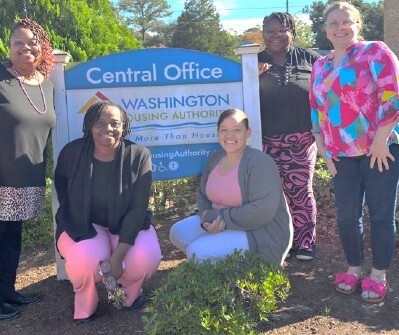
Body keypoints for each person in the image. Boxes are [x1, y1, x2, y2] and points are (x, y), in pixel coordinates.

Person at [309, 1, 399, 303]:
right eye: (333, 23)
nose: (339, 27)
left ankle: (378, 275)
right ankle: (354, 268)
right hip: (341, 155)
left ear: (357, 24)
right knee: (347, 217)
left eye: (345, 21)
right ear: (325, 29)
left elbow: (392, 97)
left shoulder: (375, 52)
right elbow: (316, 108)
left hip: (380, 151)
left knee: (381, 215)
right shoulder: (320, 66)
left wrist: (380, 139)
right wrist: (322, 146)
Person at [54, 100, 162, 322]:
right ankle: (86, 304)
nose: (108, 129)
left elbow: (137, 209)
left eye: (115, 123)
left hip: (126, 223)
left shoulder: (139, 155)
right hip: (83, 224)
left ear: (124, 126)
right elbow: (62, 187)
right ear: (89, 125)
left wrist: (117, 257)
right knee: (85, 259)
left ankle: (129, 295)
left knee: (144, 257)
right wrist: (78, 216)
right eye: (100, 123)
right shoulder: (71, 153)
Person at [169, 109, 293, 266]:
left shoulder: (261, 163)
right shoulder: (215, 159)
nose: (230, 135)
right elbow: (203, 195)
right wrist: (206, 218)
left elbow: (261, 212)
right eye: (224, 130)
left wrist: (218, 219)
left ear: (247, 133)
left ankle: (238, 276)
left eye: (236, 130)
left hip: (257, 231)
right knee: (178, 232)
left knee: (196, 251)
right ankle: (224, 264)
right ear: (218, 133)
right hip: (221, 221)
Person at [0, 18, 56, 321]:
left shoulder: (46, 83)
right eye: (17, 42)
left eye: (31, 42)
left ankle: (7, 291)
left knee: (12, 236)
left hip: (27, 177)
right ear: (9, 47)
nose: (25, 47)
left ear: (41, 46)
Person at [258, 12, 320, 261]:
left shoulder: (311, 59)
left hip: (302, 140)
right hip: (264, 140)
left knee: (300, 190)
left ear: (292, 32)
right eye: (269, 30)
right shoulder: (253, 61)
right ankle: (279, 240)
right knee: (269, 193)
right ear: (263, 33)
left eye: (281, 29)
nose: (275, 35)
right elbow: (238, 95)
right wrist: (252, 78)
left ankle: (305, 241)